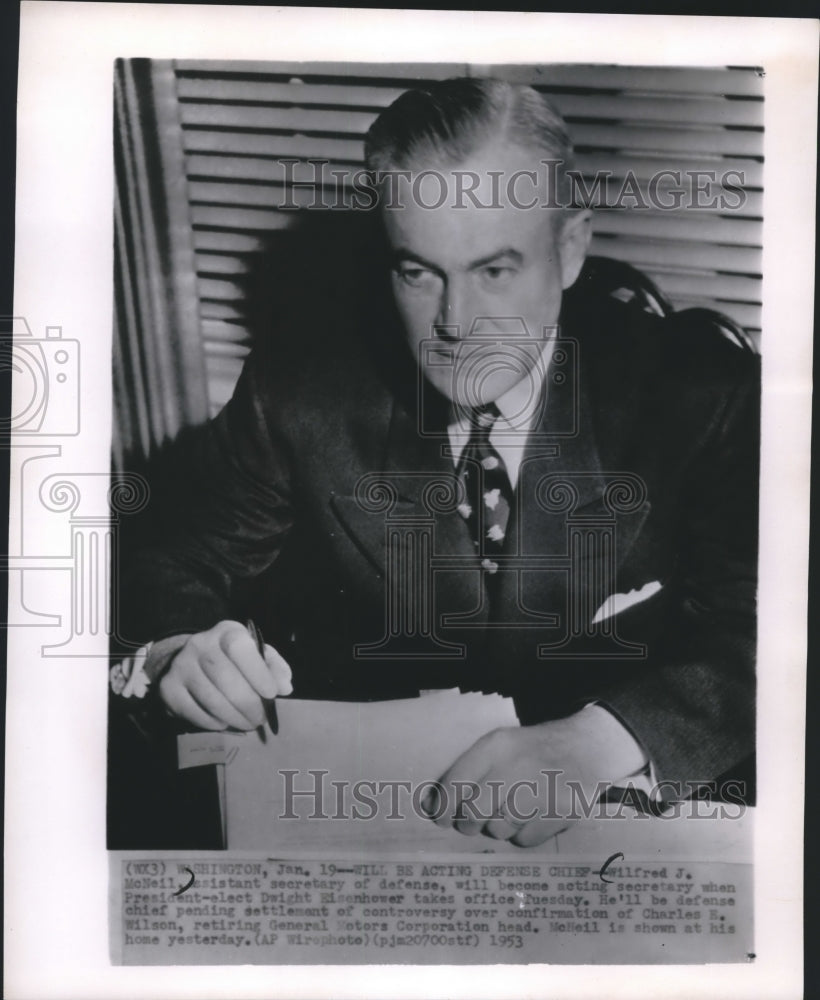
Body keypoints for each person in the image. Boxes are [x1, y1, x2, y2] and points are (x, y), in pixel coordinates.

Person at [116, 78, 759, 847]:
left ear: (572, 247)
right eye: (417, 272)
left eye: (494, 270)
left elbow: (768, 627)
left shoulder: (700, 396)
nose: (455, 326)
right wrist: (180, 649)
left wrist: (602, 740)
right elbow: (168, 558)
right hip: (372, 820)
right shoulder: (300, 391)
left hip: (611, 828)